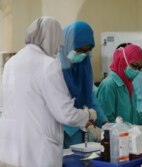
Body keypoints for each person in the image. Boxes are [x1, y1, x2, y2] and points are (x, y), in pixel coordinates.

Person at [0, 16, 96, 167]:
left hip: (10, 148)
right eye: (58, 42)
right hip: (38, 151)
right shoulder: (48, 65)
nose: (59, 48)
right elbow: (65, 113)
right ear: (51, 39)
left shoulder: (10, 63)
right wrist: (88, 115)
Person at [58, 21, 107, 148]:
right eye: (79, 50)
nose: (82, 55)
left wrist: (105, 122)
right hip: (65, 129)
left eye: (87, 51)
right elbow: (61, 107)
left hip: (82, 128)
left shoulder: (84, 64)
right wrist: (86, 123)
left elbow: (90, 95)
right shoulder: (55, 69)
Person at [96, 44, 142, 125]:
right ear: (123, 61)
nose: (136, 71)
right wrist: (127, 129)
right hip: (115, 136)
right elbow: (105, 121)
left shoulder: (128, 85)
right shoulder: (109, 85)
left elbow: (134, 116)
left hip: (129, 136)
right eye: (134, 66)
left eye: (140, 68)